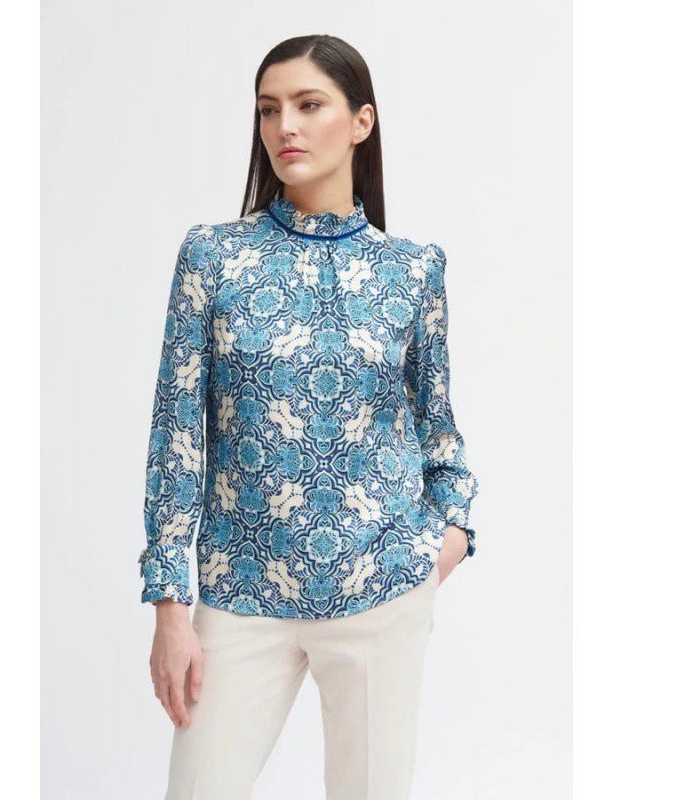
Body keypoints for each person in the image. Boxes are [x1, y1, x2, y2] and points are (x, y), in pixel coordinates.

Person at [138, 34, 480, 800]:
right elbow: (176, 437)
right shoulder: (212, 259)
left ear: (361, 121)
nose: (284, 126)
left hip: (382, 585)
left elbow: (438, 428)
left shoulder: (412, 271)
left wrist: (448, 537)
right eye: (268, 109)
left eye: (307, 104)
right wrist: (169, 605)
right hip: (240, 588)